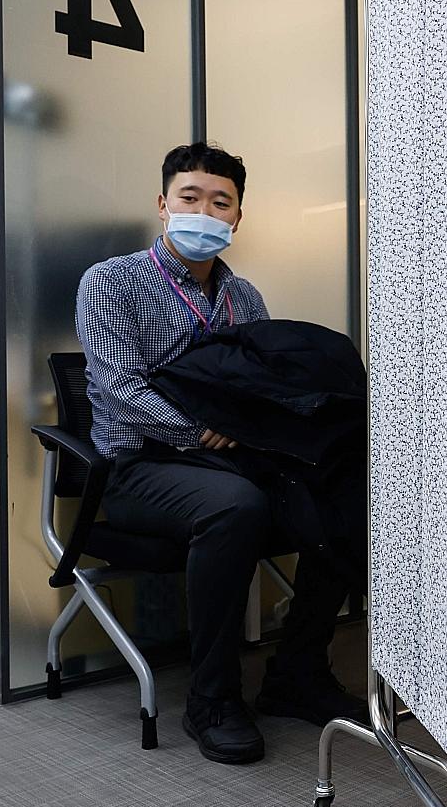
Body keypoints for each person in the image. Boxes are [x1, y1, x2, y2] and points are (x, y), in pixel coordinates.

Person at [76, 142, 364, 766]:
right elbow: (117, 386)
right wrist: (196, 429)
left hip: (234, 462)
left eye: (220, 202)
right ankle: (211, 699)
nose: (204, 212)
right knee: (235, 506)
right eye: (190, 198)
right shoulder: (111, 282)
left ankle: (296, 671)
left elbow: (269, 386)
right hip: (141, 467)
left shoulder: (245, 298)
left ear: (237, 218)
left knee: (347, 494)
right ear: (162, 205)